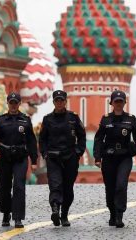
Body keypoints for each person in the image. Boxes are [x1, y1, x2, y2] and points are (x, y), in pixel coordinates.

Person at [93, 90, 136, 228]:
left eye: (121, 101)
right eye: (116, 101)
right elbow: (99, 139)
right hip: (109, 157)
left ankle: (119, 215)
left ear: (124, 103)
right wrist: (97, 157)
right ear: (112, 103)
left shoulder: (130, 119)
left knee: (121, 185)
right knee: (110, 188)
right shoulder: (106, 119)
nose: (118, 104)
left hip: (124, 157)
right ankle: (112, 212)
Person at [0, 92, 38, 228]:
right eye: (11, 103)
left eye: (16, 103)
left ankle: (18, 218)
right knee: (5, 187)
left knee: (19, 187)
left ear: (19, 104)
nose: (13, 105)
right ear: (8, 104)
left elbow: (32, 141)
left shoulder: (26, 120)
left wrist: (34, 161)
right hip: (4, 157)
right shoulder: (1, 120)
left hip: (20, 158)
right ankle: (6, 213)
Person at [39, 90, 86, 227]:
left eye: (61, 100)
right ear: (53, 102)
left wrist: (78, 152)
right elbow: (42, 139)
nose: (59, 103)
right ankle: (55, 209)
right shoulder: (47, 119)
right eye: (57, 100)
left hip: (70, 157)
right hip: (53, 158)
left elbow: (82, 136)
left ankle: (64, 214)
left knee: (68, 188)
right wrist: (45, 154)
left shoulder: (73, 118)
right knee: (55, 184)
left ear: (65, 102)